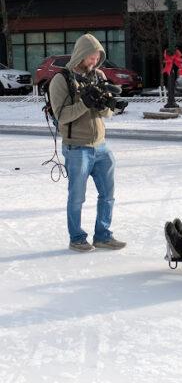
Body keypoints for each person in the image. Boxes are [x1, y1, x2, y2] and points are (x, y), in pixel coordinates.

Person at [49, 33, 126, 252]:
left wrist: (109, 105)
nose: (94, 61)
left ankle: (103, 236)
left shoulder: (98, 75)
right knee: (77, 197)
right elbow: (62, 116)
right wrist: (85, 102)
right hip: (76, 148)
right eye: (91, 56)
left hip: (101, 146)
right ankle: (77, 238)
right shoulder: (61, 80)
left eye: (98, 56)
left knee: (108, 195)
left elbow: (106, 114)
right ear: (81, 54)